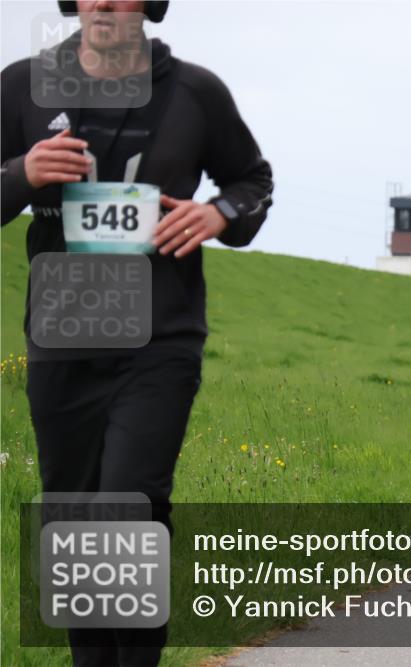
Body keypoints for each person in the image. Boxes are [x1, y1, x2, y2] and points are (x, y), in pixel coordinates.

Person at [2, 2, 273, 664]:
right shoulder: (20, 86)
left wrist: (218, 214)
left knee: (129, 507)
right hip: (62, 335)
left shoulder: (194, 91)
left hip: (160, 334)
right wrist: (22, 174)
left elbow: (252, 182)